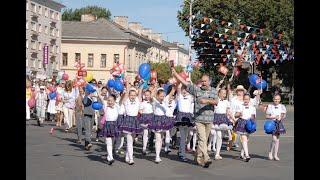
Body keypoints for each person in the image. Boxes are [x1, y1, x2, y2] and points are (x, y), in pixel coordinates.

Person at [172, 68, 218, 168]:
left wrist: (206, 101)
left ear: (209, 81)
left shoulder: (214, 90)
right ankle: (206, 158)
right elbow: (184, 82)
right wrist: (175, 74)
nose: (203, 83)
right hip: (199, 119)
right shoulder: (197, 90)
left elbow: (216, 102)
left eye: (205, 81)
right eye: (202, 81)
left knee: (204, 140)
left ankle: (197, 157)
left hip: (209, 119)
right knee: (202, 139)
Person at [148, 88, 174, 163]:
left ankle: (158, 154)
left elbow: (171, 93)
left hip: (164, 120)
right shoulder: (155, 102)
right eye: (161, 96)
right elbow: (151, 96)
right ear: (158, 96)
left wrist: (175, 84)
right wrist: (155, 88)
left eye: (163, 96)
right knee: (158, 138)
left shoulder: (165, 101)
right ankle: (157, 156)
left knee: (161, 138)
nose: (162, 97)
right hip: (156, 120)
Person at [118, 87, 142, 165]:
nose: (133, 96)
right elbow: (124, 97)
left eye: (134, 95)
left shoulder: (138, 101)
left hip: (135, 120)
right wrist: (127, 84)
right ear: (129, 95)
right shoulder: (127, 101)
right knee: (129, 140)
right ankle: (131, 158)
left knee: (131, 141)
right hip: (128, 120)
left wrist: (143, 84)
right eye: (131, 95)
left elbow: (140, 91)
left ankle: (127, 156)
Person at [211, 88, 234, 160]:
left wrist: (233, 119)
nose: (224, 94)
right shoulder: (216, 100)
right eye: (223, 93)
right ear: (219, 93)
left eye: (225, 93)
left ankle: (217, 153)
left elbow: (228, 112)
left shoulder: (226, 102)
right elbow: (212, 110)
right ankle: (216, 153)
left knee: (220, 136)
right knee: (218, 135)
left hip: (224, 118)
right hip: (216, 118)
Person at [234, 94, 256, 162]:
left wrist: (252, 119)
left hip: (249, 124)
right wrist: (239, 114)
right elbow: (235, 115)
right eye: (245, 99)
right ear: (243, 99)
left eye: (247, 99)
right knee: (244, 139)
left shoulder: (252, 107)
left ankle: (241, 154)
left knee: (246, 140)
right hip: (242, 123)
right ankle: (247, 155)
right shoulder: (240, 106)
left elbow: (253, 117)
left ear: (249, 100)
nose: (246, 100)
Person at [175, 84, 194, 161]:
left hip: (188, 117)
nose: (185, 91)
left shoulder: (190, 97)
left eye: (186, 89)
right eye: (183, 89)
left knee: (185, 137)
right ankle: (183, 154)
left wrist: (189, 79)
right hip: (181, 117)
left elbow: (192, 90)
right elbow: (178, 88)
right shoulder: (179, 96)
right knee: (183, 137)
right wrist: (181, 80)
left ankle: (180, 152)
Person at [99, 94, 120, 165]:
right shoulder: (105, 106)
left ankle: (109, 156)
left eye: (111, 100)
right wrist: (97, 90)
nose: (110, 102)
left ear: (114, 101)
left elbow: (122, 98)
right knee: (109, 142)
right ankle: (111, 157)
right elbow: (101, 97)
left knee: (113, 141)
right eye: (108, 100)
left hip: (114, 125)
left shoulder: (117, 106)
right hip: (107, 125)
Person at [265, 94, 286, 161]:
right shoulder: (270, 106)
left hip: (279, 123)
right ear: (273, 99)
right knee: (274, 139)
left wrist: (281, 117)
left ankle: (275, 155)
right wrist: (274, 117)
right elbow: (267, 116)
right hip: (272, 123)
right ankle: (270, 152)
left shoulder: (282, 106)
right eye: (275, 99)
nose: (276, 100)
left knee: (277, 139)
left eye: (278, 99)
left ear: (280, 100)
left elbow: (283, 115)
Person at [139, 89, 154, 155]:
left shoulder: (153, 102)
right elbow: (140, 110)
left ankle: (150, 146)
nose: (147, 96)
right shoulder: (143, 103)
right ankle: (144, 148)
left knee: (151, 133)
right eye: (145, 95)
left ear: (150, 95)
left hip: (151, 117)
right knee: (145, 133)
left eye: (148, 95)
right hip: (145, 117)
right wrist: (142, 112)